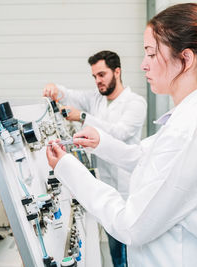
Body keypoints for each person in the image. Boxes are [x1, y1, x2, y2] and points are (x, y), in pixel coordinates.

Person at [47, 3, 197, 266]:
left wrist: (67, 169)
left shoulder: (187, 131)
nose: (143, 65)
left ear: (185, 59)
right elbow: (141, 155)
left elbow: (130, 226)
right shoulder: (190, 117)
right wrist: (100, 143)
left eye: (150, 53)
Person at [43, 50, 147, 267]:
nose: (98, 81)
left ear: (117, 72)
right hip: (103, 186)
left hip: (126, 189)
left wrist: (82, 117)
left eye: (102, 74)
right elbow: (68, 94)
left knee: (125, 252)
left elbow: (119, 133)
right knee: (113, 249)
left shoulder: (136, 103)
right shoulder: (96, 98)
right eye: (94, 76)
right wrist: (55, 88)